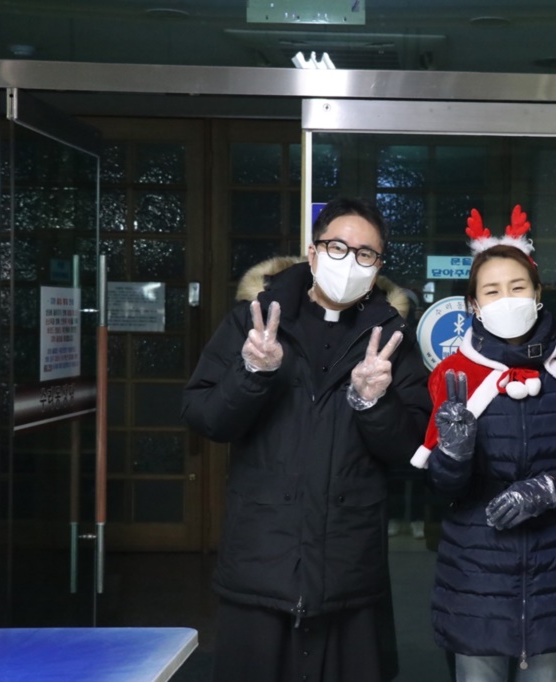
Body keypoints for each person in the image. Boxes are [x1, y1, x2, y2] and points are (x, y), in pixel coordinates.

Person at [182, 197, 432, 682]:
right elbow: (204, 417)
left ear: (377, 267)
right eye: (338, 247)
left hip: (348, 568)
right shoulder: (252, 321)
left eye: (365, 254)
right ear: (313, 253)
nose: (350, 261)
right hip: (260, 562)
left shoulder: (391, 338)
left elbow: (413, 449)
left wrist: (374, 403)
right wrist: (251, 373)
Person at [410, 206, 556, 681]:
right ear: (474, 305)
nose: (507, 299)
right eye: (492, 291)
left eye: (518, 287)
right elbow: (441, 486)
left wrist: (549, 488)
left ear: (538, 294)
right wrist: (454, 454)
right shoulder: (453, 373)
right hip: (475, 571)